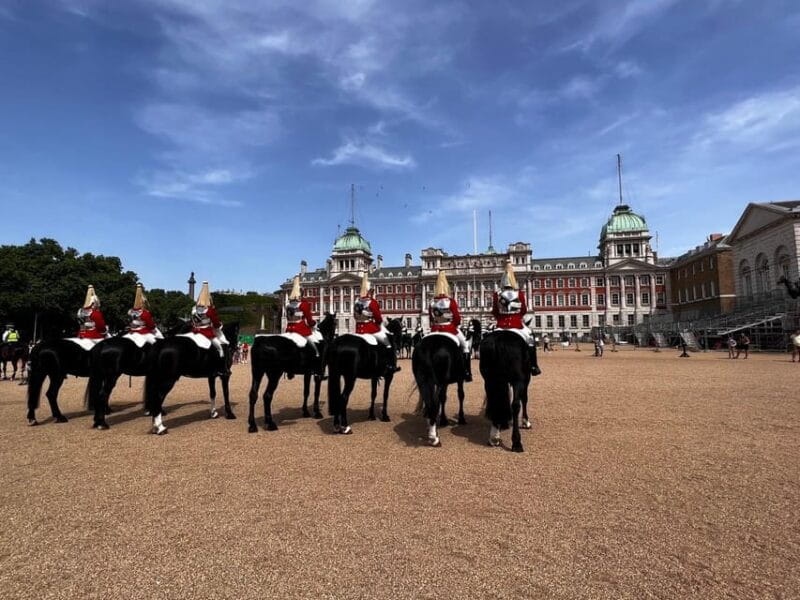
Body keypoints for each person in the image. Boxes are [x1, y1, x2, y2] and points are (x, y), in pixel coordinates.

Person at [491, 261, 541, 376]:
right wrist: (517, 317)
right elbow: (523, 310)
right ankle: (533, 365)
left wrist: (500, 319)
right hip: (517, 325)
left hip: (500, 326)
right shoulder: (519, 294)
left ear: (502, 282)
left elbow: (494, 311)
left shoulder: (497, 295)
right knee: (530, 340)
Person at [428, 269, 472, 381]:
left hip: (435, 330)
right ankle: (466, 372)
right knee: (465, 346)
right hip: (449, 329)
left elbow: (431, 319)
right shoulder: (450, 301)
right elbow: (457, 318)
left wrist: (435, 325)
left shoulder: (432, 302)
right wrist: (454, 325)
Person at [353, 272, 399, 375]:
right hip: (370, 329)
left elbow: (355, 316)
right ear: (370, 291)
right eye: (372, 291)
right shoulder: (372, 302)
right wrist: (379, 323)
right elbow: (378, 318)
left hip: (358, 330)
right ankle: (390, 365)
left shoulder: (357, 302)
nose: (373, 293)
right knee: (388, 343)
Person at [191, 281, 229, 374]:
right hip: (206, 332)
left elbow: (192, 321)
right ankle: (221, 369)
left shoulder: (194, 309)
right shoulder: (210, 310)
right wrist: (219, 325)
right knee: (220, 348)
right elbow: (216, 323)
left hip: (195, 331)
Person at [285, 275, 323, 358]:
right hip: (300, 329)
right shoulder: (303, 304)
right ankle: (317, 354)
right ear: (301, 293)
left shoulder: (288, 305)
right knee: (313, 341)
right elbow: (309, 319)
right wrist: (313, 324)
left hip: (289, 329)